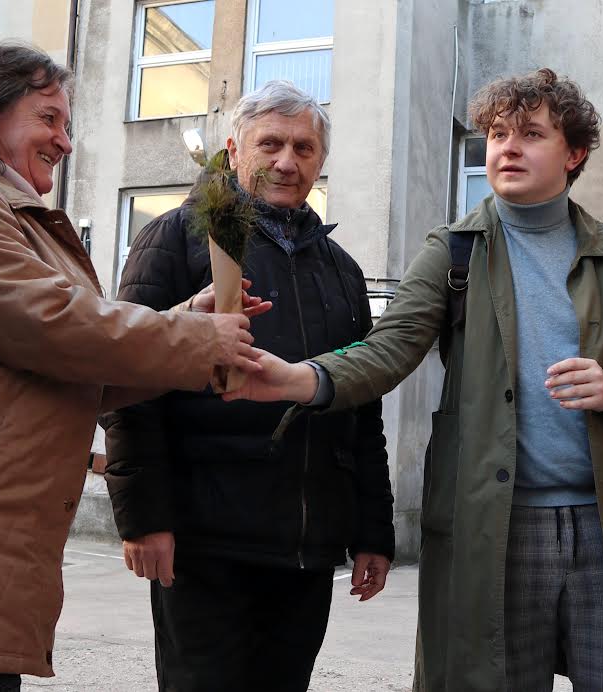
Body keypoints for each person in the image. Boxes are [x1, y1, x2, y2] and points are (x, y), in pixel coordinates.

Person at [226, 68, 603, 692]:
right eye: (496, 135)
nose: (508, 148)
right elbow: (387, 350)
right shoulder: (453, 252)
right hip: (492, 530)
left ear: (574, 153)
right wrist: (299, 380)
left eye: (531, 134)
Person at [0, 44, 266, 692]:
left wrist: (188, 319)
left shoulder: (20, 216)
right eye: (48, 118)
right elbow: (48, 321)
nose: (64, 140)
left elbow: (82, 368)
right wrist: (195, 338)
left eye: (68, 124)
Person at [101, 80, 395, 692]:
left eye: (304, 148)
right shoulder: (177, 237)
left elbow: (360, 409)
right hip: (205, 543)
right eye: (271, 144)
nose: (287, 162)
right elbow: (129, 385)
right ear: (234, 149)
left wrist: (374, 532)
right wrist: (143, 517)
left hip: (305, 550)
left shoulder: (341, 269)